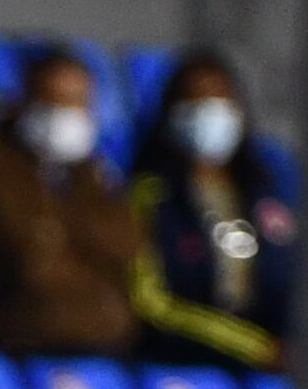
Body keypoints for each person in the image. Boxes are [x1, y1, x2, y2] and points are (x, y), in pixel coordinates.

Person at [0, 50, 144, 356]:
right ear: (25, 102)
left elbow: (126, 247)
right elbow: (33, 264)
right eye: (54, 102)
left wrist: (67, 226)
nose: (66, 115)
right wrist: (90, 258)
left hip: (104, 343)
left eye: (77, 104)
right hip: (25, 341)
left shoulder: (91, 173)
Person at [125, 50, 296, 372]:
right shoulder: (150, 196)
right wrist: (253, 348)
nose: (209, 112)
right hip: (186, 362)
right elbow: (155, 304)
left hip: (268, 362)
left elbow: (290, 280)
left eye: (219, 100)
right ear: (171, 115)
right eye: (194, 101)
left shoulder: (265, 193)